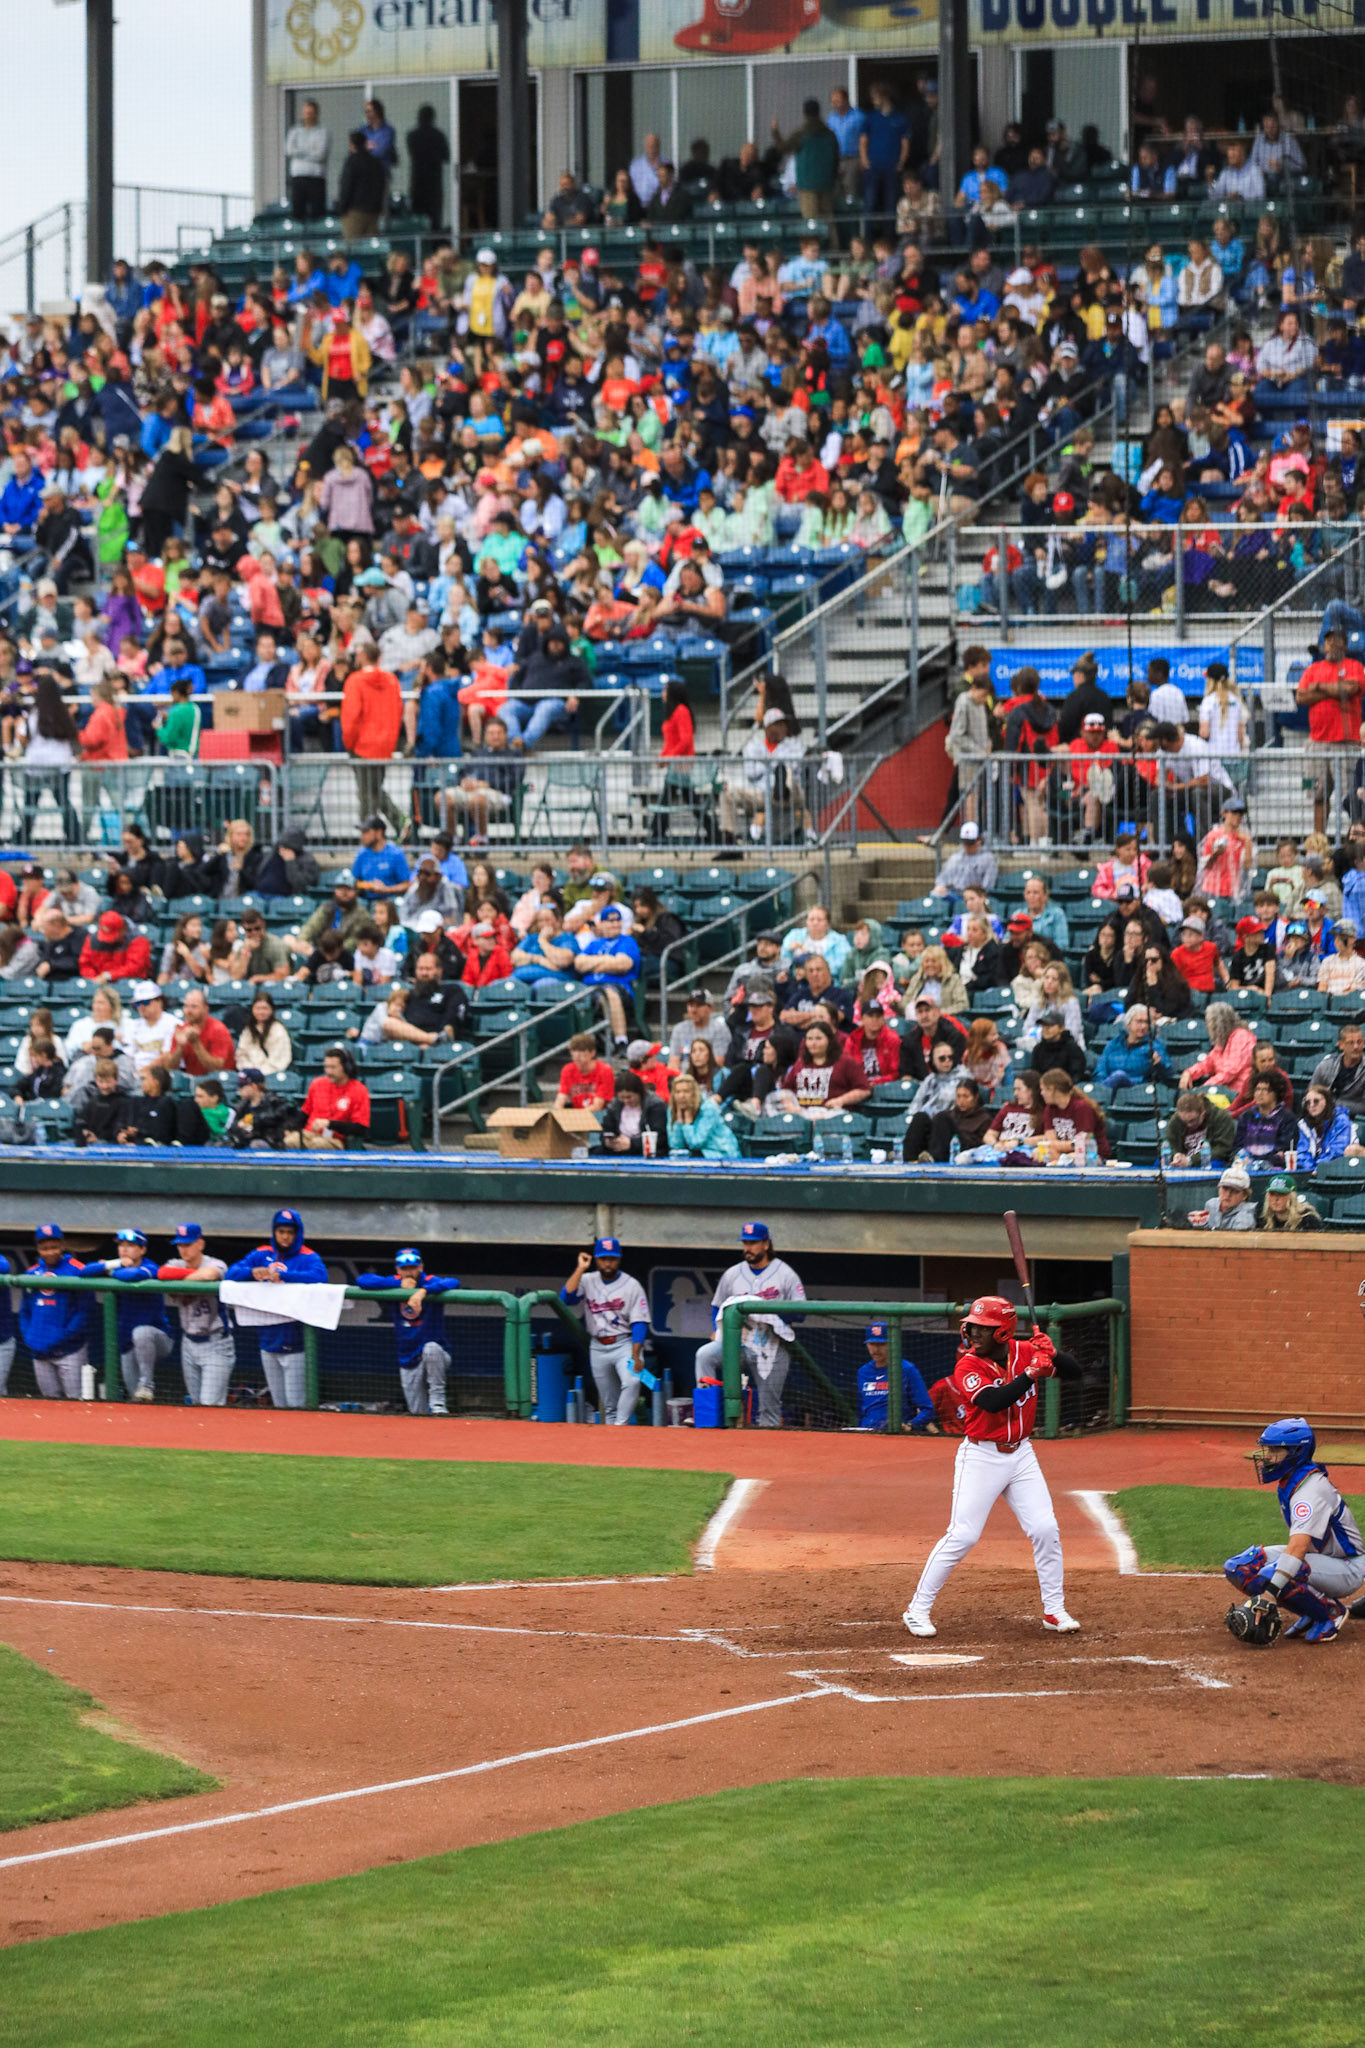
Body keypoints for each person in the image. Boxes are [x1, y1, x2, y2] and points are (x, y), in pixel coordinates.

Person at [902, 1296, 1078, 1638]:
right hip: (981, 1456)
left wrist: (1053, 1354)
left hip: (1022, 1454)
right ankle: (917, 1609)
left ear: (1003, 1332)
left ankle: (1054, 1610)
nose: (974, 1332)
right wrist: (1031, 1373)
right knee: (963, 1534)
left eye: (984, 1328)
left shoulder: (1025, 1351)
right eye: (973, 1326)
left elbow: (1074, 1372)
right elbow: (994, 1402)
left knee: (1045, 1529)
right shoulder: (967, 1366)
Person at [1222, 1419, 1364, 1644]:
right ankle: (1312, 1610)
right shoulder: (1292, 1482)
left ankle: (1329, 1613)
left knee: (1275, 1574)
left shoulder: (1309, 1490)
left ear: (1296, 1453)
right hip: (1320, 1560)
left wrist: (1268, 1594)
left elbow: (1298, 1547)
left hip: (1347, 1567)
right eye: (1268, 1449)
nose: (1267, 1456)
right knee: (1240, 1567)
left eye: (1275, 1450)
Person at [694, 1222, 805, 1430]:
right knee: (704, 1354)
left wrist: (768, 1312)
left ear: (766, 1244)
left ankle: (767, 1453)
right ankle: (707, 1409)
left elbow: (801, 1312)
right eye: (745, 1243)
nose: (748, 1248)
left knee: (768, 1409)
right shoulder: (732, 1274)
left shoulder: (785, 1274)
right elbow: (717, 1307)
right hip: (740, 1345)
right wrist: (717, 1329)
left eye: (753, 1243)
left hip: (772, 1345)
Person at [224, 1210, 328, 1409]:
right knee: (279, 1406)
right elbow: (232, 1272)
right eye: (281, 1231)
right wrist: (252, 1272)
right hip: (267, 1342)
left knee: (296, 1406)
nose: (286, 1236)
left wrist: (284, 1277)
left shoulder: (307, 1256)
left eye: (290, 1232)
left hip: (296, 1343)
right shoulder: (262, 1253)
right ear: (275, 1232)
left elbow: (320, 1276)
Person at [355, 1248, 460, 1416]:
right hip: (408, 1356)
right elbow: (362, 1280)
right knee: (417, 1412)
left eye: (413, 1267)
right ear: (398, 1270)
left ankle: (438, 1403)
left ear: (421, 1267)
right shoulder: (395, 1282)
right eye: (404, 1268)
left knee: (431, 1348)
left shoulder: (429, 1281)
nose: (409, 1272)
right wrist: (399, 1285)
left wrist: (423, 1291)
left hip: (437, 1354)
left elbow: (453, 1282)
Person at [561, 1237, 650, 1426]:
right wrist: (580, 1268)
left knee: (632, 1381)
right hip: (598, 1346)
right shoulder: (586, 1280)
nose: (608, 1263)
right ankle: (613, 1444)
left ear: (619, 1259)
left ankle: (620, 1428)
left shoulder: (631, 1285)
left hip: (623, 1344)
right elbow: (566, 1298)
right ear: (596, 1259)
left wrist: (636, 1354)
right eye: (603, 1258)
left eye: (612, 1258)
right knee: (609, 1405)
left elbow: (640, 1322)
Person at [81, 1227, 172, 1403]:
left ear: (142, 1249)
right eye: (121, 1245)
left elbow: (134, 1275)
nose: (124, 1249)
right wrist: (113, 1264)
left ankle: (147, 1385)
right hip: (127, 1343)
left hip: (158, 1338)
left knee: (142, 1332)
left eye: (130, 1245)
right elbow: (85, 1271)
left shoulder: (150, 1266)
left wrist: (111, 1270)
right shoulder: (119, 1264)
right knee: (136, 1399)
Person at [157, 1223, 235, 1406]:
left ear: (200, 1244)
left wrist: (180, 1278)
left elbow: (209, 1274)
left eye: (188, 1244)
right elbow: (162, 1273)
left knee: (209, 1406)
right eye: (180, 1245)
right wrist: (192, 1275)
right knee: (195, 1406)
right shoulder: (176, 1263)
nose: (183, 1249)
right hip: (189, 1344)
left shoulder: (215, 1262)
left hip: (216, 1342)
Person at [20, 1224, 90, 1400]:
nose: (50, 1252)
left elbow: (84, 1311)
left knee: (76, 1402)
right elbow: (24, 1311)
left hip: (70, 1351)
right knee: (49, 1405)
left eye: (54, 1247)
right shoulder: (31, 1273)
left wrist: (62, 1336)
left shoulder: (78, 1269)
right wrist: (30, 1337)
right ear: (38, 1249)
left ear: (62, 1245)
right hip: (40, 1352)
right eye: (44, 1248)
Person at [858, 1321, 940, 1434]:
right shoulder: (863, 1372)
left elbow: (927, 1410)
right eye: (872, 1344)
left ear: (892, 1343)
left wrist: (911, 1426)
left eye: (881, 1344)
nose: (876, 1349)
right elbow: (861, 1410)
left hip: (896, 1434)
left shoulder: (907, 1369)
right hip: (867, 1432)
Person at [1092, 1007, 1175, 1099]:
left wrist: (1159, 1064)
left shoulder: (1155, 1045)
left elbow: (1168, 1074)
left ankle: (1097, 1098)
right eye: (1139, 1021)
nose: (1143, 1026)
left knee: (1119, 1076)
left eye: (1146, 1022)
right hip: (1110, 1090)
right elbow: (1100, 1071)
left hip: (1137, 1091)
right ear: (1128, 1023)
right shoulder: (1113, 1044)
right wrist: (1101, 1086)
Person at [300, 1044, 371, 1150]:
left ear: (346, 1067)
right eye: (326, 1067)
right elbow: (304, 1113)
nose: (328, 1072)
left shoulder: (359, 1090)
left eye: (333, 1067)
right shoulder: (317, 1083)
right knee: (290, 1141)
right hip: (310, 1133)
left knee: (318, 1144)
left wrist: (330, 1124)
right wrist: (289, 1128)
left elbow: (360, 1128)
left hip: (336, 1139)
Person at [1180, 1001, 1256, 1097]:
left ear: (1219, 1024)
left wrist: (1204, 1088)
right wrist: (1189, 1072)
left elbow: (1230, 1071)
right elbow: (1207, 1063)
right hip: (1221, 1091)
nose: (1207, 1026)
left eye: (1209, 1022)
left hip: (1238, 1093)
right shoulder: (1222, 1041)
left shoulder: (1241, 1036)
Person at [666, 1072, 741, 1160]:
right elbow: (675, 1146)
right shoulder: (673, 1109)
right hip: (696, 1154)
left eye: (686, 1091)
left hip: (721, 1153)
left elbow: (696, 1143)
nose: (681, 1096)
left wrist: (687, 1122)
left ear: (694, 1093)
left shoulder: (708, 1109)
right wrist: (678, 1122)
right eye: (678, 1092)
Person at [599, 1070, 669, 1157]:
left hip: (645, 1152)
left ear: (639, 1093)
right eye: (622, 1097)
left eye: (629, 1097)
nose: (626, 1101)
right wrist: (609, 1141)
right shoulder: (615, 1105)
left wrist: (632, 1144)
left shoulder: (655, 1105)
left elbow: (660, 1138)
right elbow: (606, 1129)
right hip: (618, 1150)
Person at [284, 98, 330, 220]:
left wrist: (299, 151)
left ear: (316, 114)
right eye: (306, 113)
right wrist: (311, 151)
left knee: (317, 215)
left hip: (316, 179)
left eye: (310, 113)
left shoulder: (323, 132)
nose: (308, 116)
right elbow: (289, 150)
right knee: (298, 214)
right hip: (298, 178)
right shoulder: (294, 131)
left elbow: (321, 154)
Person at [932, 821, 997, 900]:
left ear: (979, 841)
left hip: (974, 898)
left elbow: (988, 887)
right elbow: (941, 879)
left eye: (970, 843)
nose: (967, 846)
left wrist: (973, 894)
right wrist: (941, 887)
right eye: (965, 842)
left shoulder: (988, 858)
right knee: (934, 894)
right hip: (953, 895)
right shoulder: (955, 857)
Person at [668, 987, 731, 1066]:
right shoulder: (679, 1029)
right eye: (691, 1005)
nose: (693, 1010)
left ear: (710, 1008)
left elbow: (718, 1063)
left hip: (709, 1076)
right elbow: (673, 1062)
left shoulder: (720, 1029)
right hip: (683, 1076)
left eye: (698, 1005)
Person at [1188, 1162, 1258, 1232]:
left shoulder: (1245, 1218)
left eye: (1234, 1191)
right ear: (1219, 1188)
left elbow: (1232, 1241)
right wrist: (1199, 1226)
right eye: (1225, 1188)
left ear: (1244, 1196)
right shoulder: (1211, 1204)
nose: (1227, 1195)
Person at [1311, 1022, 1365, 1112]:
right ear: (1341, 1045)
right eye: (1350, 1043)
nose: (1356, 1047)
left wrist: (1333, 1105)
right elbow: (1310, 1096)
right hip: (1323, 1117)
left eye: (1359, 1042)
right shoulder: (1326, 1066)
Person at [1297, 1083, 1352, 1169]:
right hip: (1314, 1170)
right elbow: (1302, 1152)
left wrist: (1318, 1168)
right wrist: (1310, 1169)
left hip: (1340, 1169)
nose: (1311, 1105)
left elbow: (1337, 1151)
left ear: (1327, 1101)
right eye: (1308, 1102)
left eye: (1316, 1101)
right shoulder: (1304, 1124)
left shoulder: (1341, 1120)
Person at [556, 1033, 614, 1113]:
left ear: (592, 1053)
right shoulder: (568, 1069)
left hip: (600, 1115)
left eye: (582, 1050)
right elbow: (560, 1099)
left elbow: (598, 1105)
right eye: (574, 1050)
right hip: (578, 1115)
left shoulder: (605, 1070)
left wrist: (577, 1117)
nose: (577, 1055)